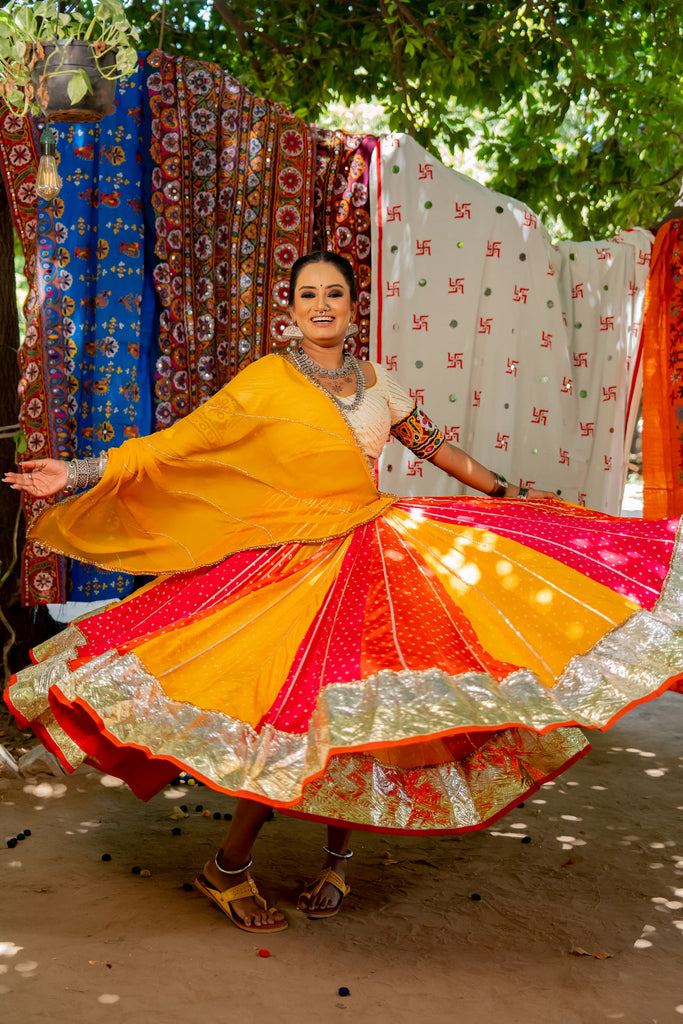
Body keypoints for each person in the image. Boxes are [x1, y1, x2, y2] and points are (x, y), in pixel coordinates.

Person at [4, 251, 681, 934]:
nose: (321, 304)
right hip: (295, 564)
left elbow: (434, 446)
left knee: (365, 710)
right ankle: (228, 867)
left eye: (334, 294)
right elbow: (179, 446)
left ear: (354, 308)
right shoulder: (266, 380)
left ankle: (335, 860)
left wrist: (504, 493)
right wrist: (82, 471)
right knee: (295, 712)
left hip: (374, 557)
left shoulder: (378, 383)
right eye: (307, 295)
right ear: (290, 310)